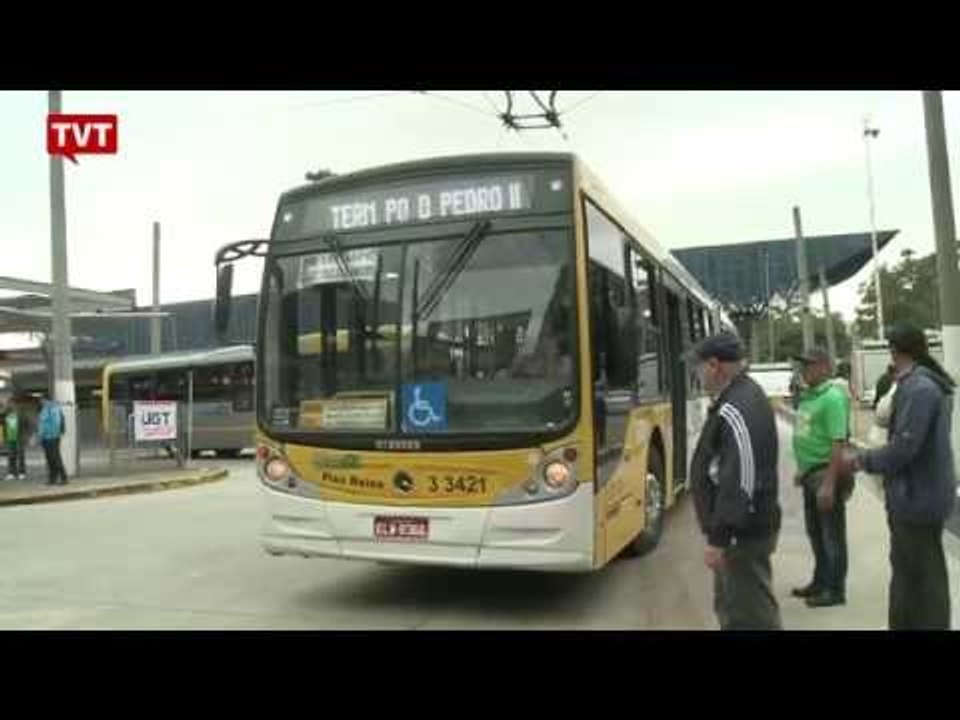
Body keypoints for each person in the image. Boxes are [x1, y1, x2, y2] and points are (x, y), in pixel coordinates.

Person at [841, 323, 956, 630]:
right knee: (910, 571)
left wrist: (860, 461)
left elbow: (905, 447)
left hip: (917, 498)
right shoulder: (921, 384)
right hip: (917, 495)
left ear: (895, 350)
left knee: (923, 576)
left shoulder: (919, 389)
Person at [689, 332, 782, 630]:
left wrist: (721, 536)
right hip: (739, 530)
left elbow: (741, 477)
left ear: (715, 365)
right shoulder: (740, 397)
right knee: (733, 607)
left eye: (699, 367)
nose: (698, 374)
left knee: (750, 616)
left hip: (742, 533)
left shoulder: (737, 406)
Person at [790, 348, 853, 608]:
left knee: (831, 535)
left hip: (825, 474)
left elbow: (838, 442)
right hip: (810, 474)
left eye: (811, 365)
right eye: (803, 365)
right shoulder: (807, 397)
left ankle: (835, 590)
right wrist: (801, 469)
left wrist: (829, 483)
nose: (805, 370)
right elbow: (806, 435)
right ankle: (820, 581)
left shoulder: (832, 398)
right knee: (815, 533)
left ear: (826, 367)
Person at [38, 394, 68, 486]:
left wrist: (49, 434)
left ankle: (64, 478)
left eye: (42, 400)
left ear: (46, 400)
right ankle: (52, 478)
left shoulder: (53, 408)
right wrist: (41, 436)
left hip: (52, 437)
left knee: (55, 458)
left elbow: (56, 423)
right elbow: (42, 424)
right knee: (50, 459)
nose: (41, 402)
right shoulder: (45, 409)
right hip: (46, 438)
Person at [4, 398, 28, 481]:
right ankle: (11, 473)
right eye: (8, 403)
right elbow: (3, 425)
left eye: (11, 403)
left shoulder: (21, 414)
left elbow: (27, 425)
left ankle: (22, 473)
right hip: (10, 438)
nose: (9, 405)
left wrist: (26, 436)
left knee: (21, 455)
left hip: (19, 437)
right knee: (11, 456)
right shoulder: (6, 414)